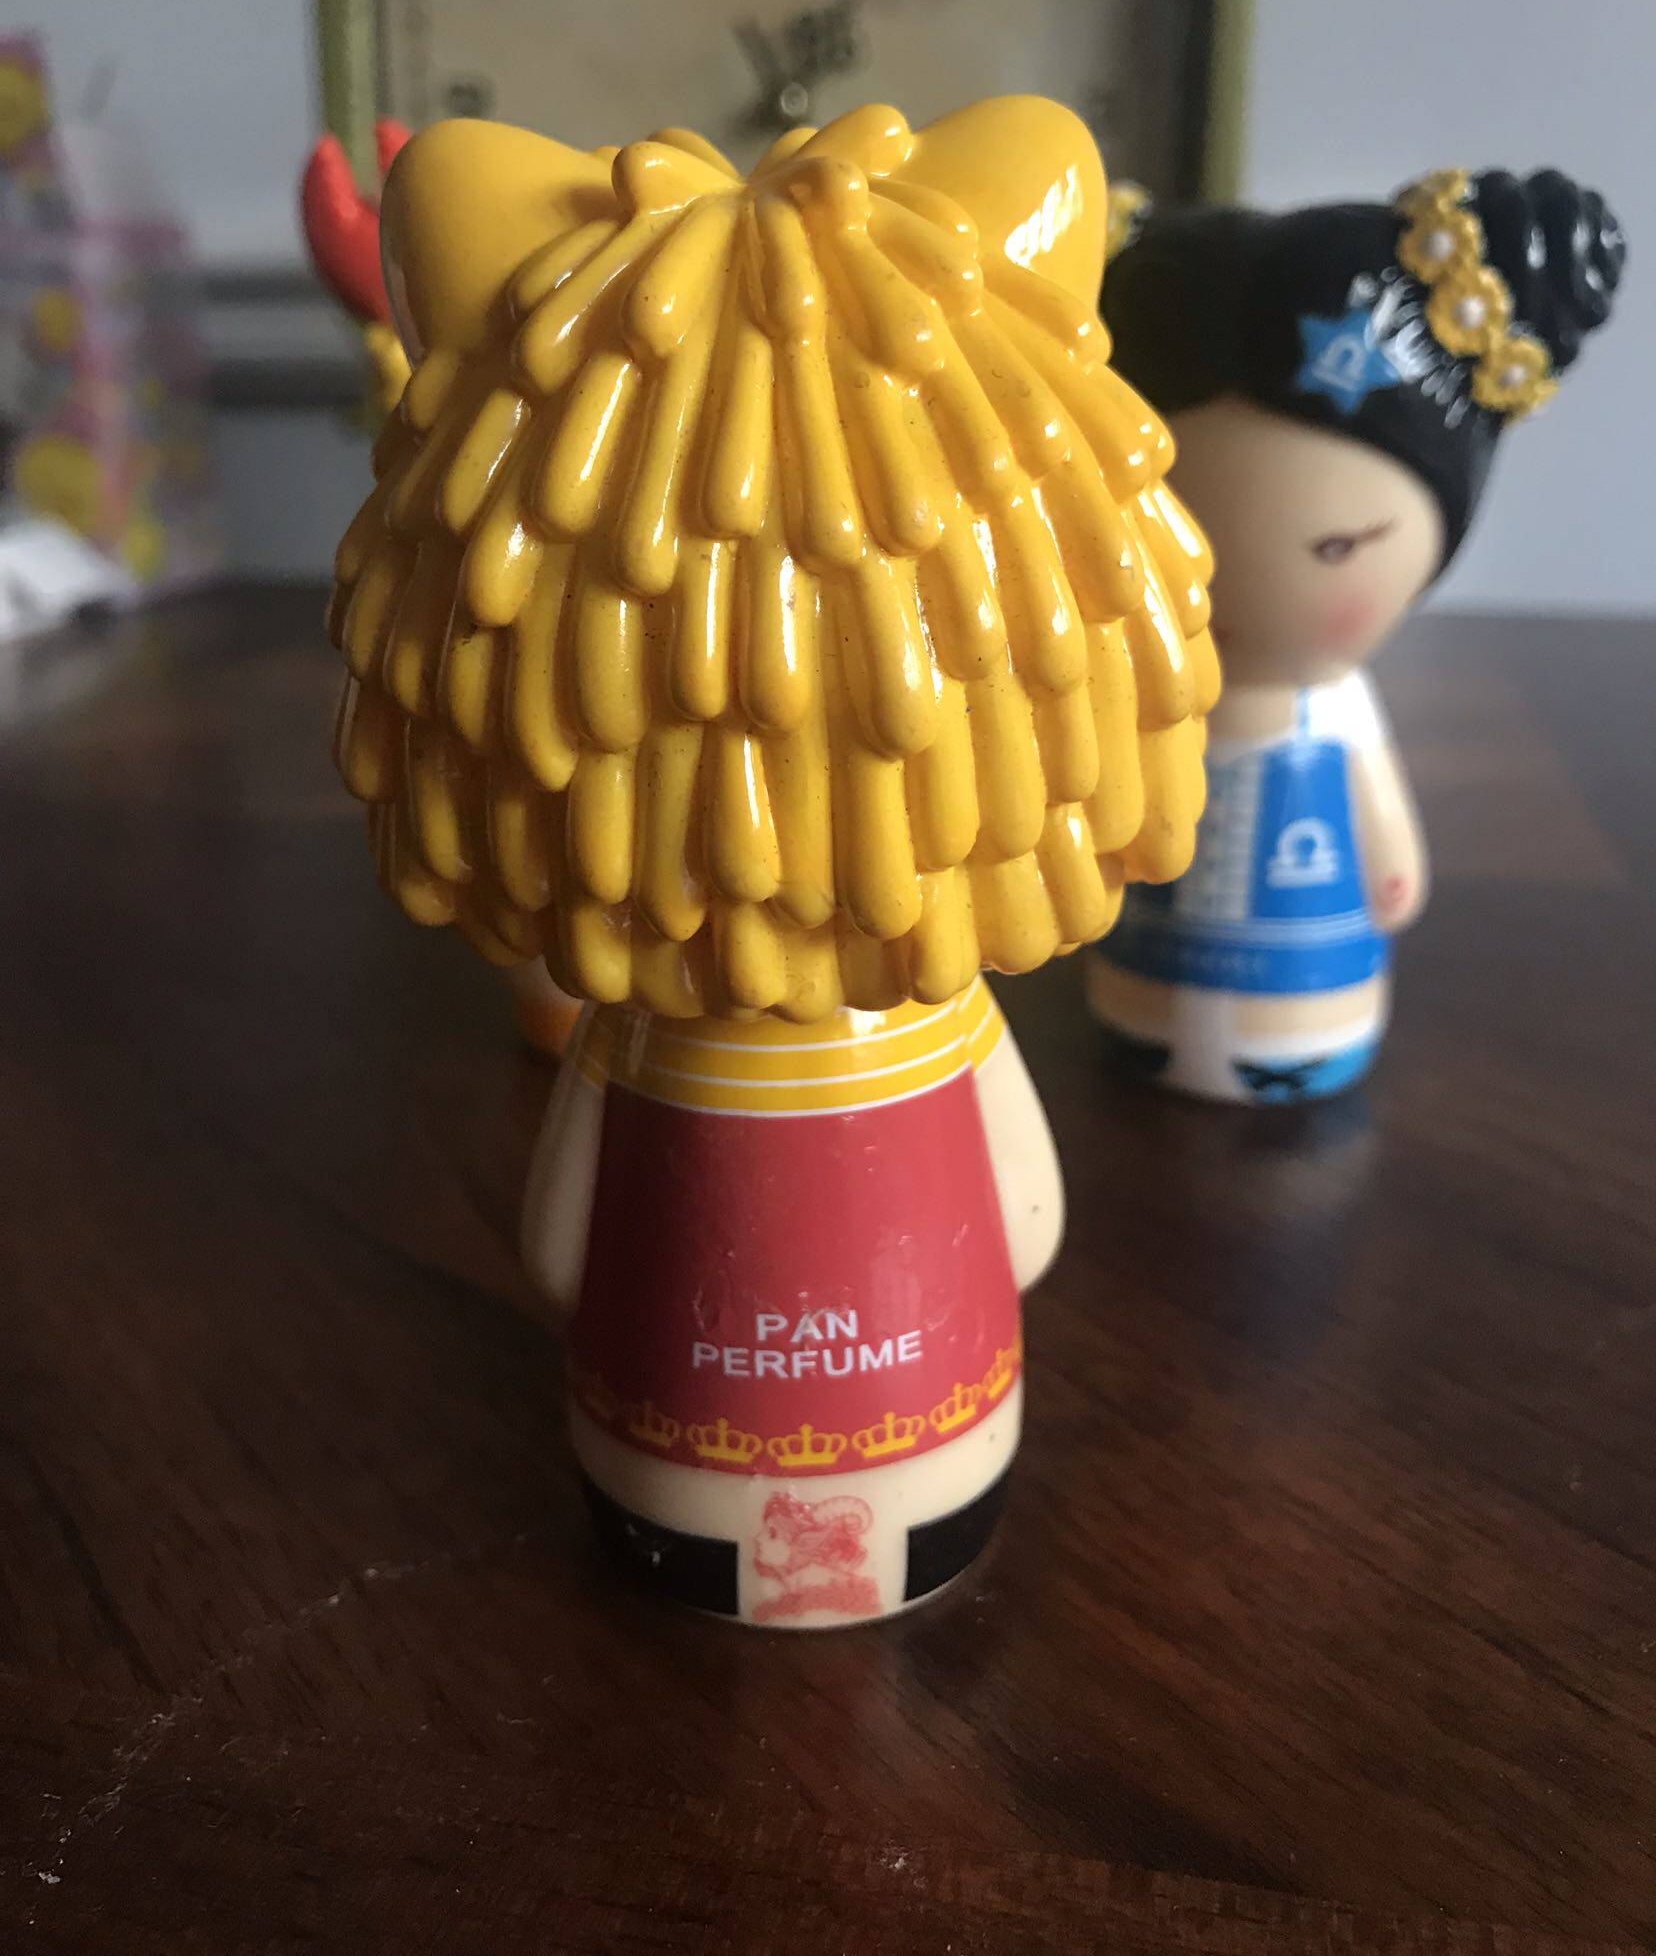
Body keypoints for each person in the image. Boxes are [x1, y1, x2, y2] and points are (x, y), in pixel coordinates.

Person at [325, 95, 1218, 1623]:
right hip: (839, 1406)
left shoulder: (673, 1030)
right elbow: (1029, 1221)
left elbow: (562, 1249)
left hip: (725, 1407)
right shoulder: (766, 1021)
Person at [1089, 166, 1625, 1101]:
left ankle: (1284, 1043)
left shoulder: (1332, 706)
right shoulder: (1150, 697)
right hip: (1143, 952)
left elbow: (1377, 809)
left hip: (1311, 974)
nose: (1220, 588)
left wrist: (1390, 861)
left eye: (1336, 549)